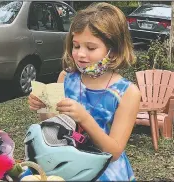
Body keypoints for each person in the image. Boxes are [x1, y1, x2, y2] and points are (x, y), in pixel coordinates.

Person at [27, 3, 140, 181]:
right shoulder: (66, 77)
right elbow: (55, 124)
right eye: (76, 45)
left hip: (102, 169)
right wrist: (44, 107)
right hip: (65, 161)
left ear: (114, 50)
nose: (80, 54)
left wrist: (85, 118)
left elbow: (115, 151)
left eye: (91, 48)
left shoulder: (127, 93)